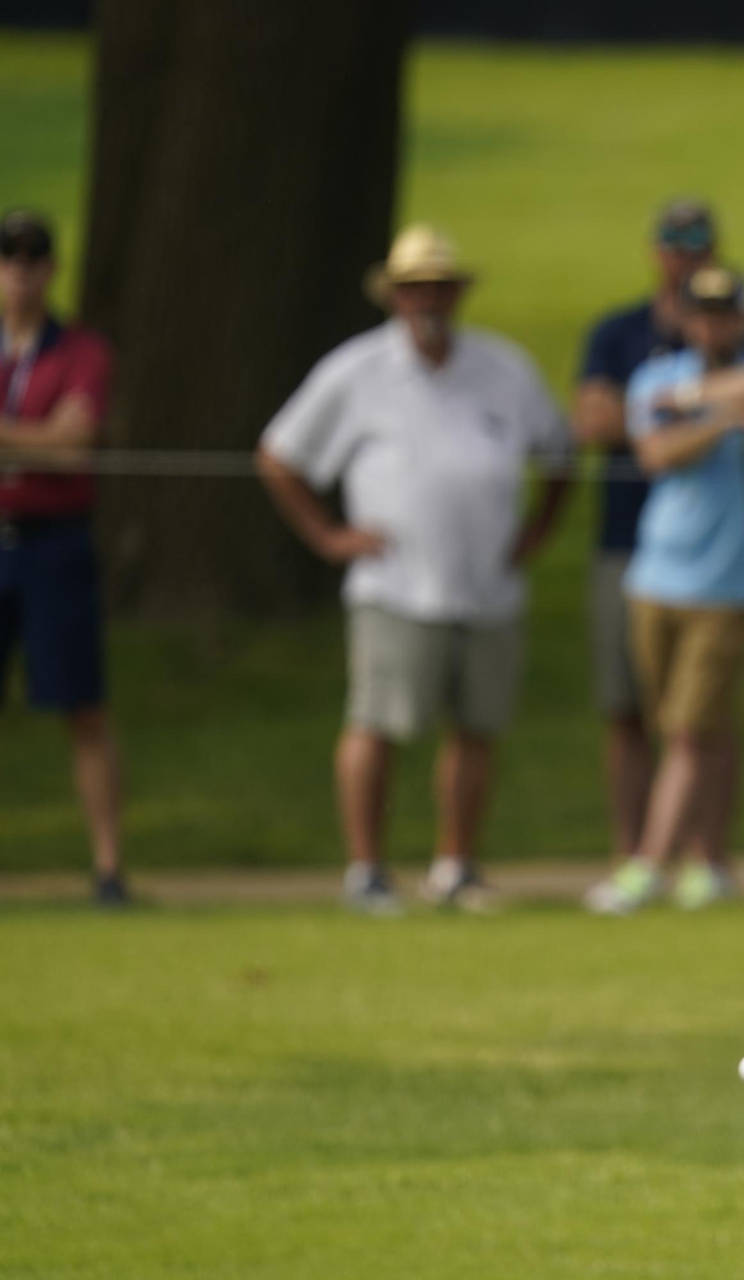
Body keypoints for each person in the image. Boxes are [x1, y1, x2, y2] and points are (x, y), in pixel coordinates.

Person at [257, 225, 572, 914]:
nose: (428, 299)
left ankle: (455, 866)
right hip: (395, 583)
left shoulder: (504, 367)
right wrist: (328, 536)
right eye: (414, 288)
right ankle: (367, 870)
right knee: (377, 722)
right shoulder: (358, 370)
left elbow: (559, 453)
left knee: (476, 726)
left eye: (439, 285)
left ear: (458, 292)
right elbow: (280, 456)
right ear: (395, 297)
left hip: (488, 584)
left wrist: (538, 532)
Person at [584, 265, 744, 914]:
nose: (714, 325)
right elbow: (656, 455)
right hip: (656, 576)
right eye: (702, 313)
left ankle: (647, 866)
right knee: (696, 728)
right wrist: (723, 416)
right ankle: (710, 860)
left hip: (732, 584)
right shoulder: (656, 377)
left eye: (725, 312)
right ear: (686, 319)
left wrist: (698, 406)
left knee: (687, 730)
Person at [574, 200, 744, 868]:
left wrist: (667, 414)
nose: (685, 253)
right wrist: (702, 414)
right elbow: (596, 424)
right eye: (673, 242)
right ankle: (634, 852)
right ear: (656, 250)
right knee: (629, 711)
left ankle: (700, 859)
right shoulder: (619, 333)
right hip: (629, 540)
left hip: (716, 556)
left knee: (701, 720)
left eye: (698, 242)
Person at [0, 209, 126, 907]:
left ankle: (108, 869)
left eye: (33, 258)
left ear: (51, 268)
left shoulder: (79, 353)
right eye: (9, 257)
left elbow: (74, 445)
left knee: (83, 706)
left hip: (54, 542)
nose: (20, 271)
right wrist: (35, 438)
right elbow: (51, 438)